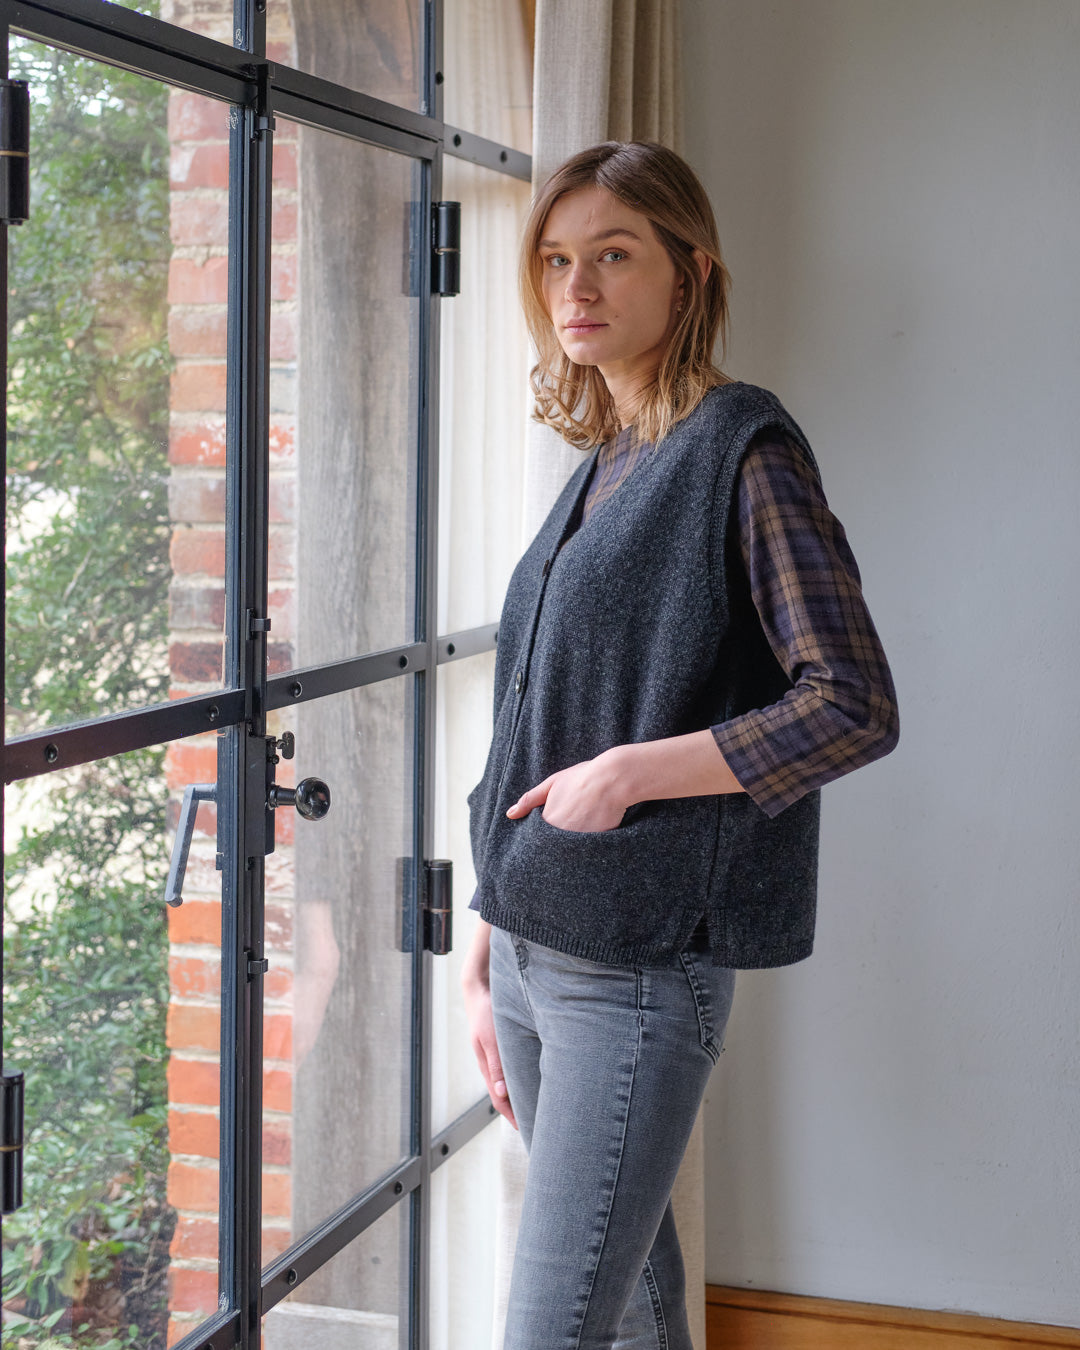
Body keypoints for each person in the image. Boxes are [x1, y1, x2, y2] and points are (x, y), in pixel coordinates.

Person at [460, 140, 899, 1350]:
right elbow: (536, 710)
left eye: (613, 255)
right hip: (536, 948)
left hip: (637, 970)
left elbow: (852, 701)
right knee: (642, 1317)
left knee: (552, 1331)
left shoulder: (743, 451)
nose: (577, 287)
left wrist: (630, 775)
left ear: (691, 271)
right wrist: (491, 936)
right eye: (556, 259)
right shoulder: (607, 457)